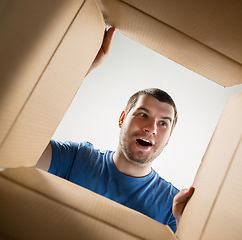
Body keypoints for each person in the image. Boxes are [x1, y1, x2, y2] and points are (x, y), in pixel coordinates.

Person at [36, 27, 194, 233]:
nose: (151, 128)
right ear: (122, 119)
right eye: (143, 115)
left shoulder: (173, 207)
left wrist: (187, 227)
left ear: (169, 137)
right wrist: (80, 67)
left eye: (163, 123)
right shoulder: (75, 157)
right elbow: (16, 145)